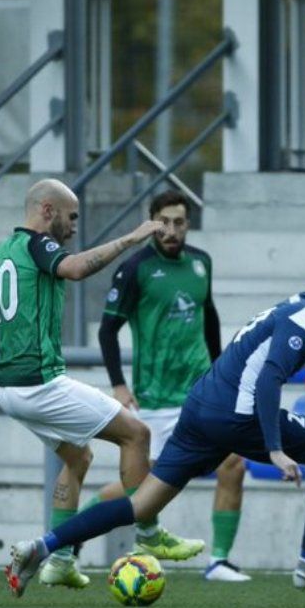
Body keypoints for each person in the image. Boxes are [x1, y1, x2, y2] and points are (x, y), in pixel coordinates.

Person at [4, 276, 305, 597]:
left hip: (201, 407)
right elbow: (268, 380)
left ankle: (42, 547)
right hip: (234, 415)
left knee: (142, 506)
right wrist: (275, 448)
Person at [0, 179, 205, 591]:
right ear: (47, 211)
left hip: (8, 389)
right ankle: (149, 533)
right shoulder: (39, 246)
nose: (74, 226)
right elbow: (74, 269)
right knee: (136, 434)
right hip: (38, 384)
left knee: (77, 458)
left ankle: (61, 561)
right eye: (71, 217)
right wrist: (130, 237)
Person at [95, 189, 251, 583]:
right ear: (151, 222)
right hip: (156, 396)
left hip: (200, 391)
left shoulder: (201, 263)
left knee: (233, 463)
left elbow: (209, 317)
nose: (171, 230)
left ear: (188, 224)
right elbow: (107, 330)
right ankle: (75, 532)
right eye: (163, 222)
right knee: (142, 487)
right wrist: (118, 384)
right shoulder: (134, 269)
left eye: (179, 222)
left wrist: (220, 374)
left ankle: (218, 561)